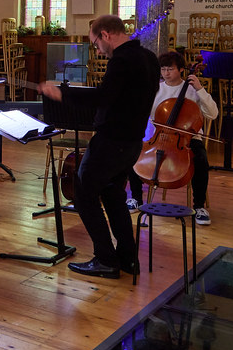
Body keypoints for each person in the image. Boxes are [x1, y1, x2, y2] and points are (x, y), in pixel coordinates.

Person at [37, 15, 158, 279]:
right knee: (114, 196)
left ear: (105, 34)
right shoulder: (149, 58)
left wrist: (63, 93)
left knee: (83, 194)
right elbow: (123, 97)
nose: (98, 51)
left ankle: (105, 258)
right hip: (132, 143)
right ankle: (127, 259)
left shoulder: (122, 60)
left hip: (111, 141)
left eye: (95, 44)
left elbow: (104, 97)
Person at [131, 51, 218, 226]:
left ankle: (199, 206)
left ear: (181, 69)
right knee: (132, 152)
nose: (165, 73)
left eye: (170, 69)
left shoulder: (193, 90)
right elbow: (141, 112)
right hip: (158, 137)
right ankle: (136, 199)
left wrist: (200, 89)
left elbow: (213, 114)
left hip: (187, 139)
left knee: (200, 158)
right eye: (162, 69)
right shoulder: (156, 89)